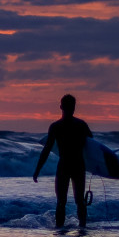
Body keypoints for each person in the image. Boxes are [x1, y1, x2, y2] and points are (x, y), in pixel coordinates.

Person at [33, 94, 92, 228]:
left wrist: (37, 170)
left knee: (61, 202)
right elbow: (92, 147)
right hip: (78, 165)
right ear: (74, 108)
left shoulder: (56, 127)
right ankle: (82, 229)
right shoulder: (81, 125)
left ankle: (60, 232)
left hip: (64, 165)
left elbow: (46, 150)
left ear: (61, 107)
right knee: (80, 201)